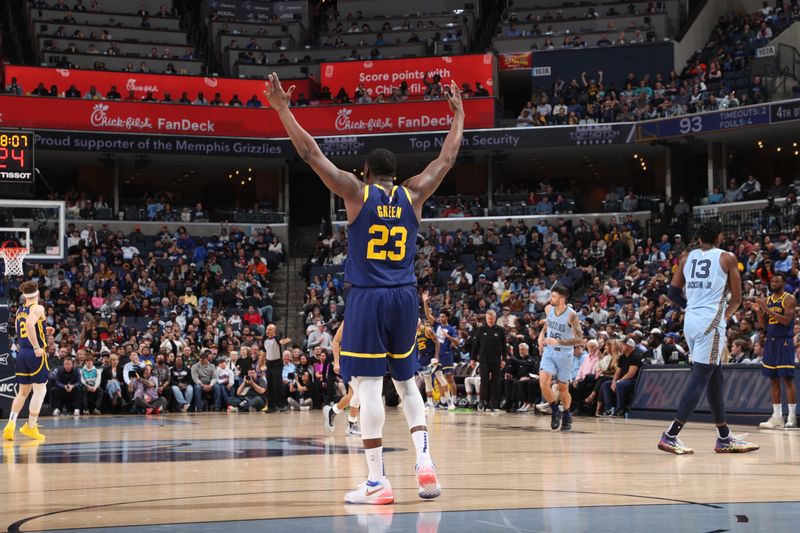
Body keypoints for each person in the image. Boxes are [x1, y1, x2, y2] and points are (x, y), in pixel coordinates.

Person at [265, 71, 464, 504]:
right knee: (409, 384)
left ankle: (377, 483)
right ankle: (425, 462)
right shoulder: (414, 194)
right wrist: (459, 116)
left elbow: (311, 152)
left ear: (367, 172)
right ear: (396, 173)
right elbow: (446, 160)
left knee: (370, 388)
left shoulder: (356, 192)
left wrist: (282, 108)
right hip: (405, 295)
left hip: (369, 296)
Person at [658, 220, 759, 454]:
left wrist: (689, 307)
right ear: (720, 237)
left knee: (715, 376)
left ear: (700, 238)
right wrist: (723, 316)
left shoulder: (685, 258)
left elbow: (672, 291)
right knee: (701, 376)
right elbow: (737, 298)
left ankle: (724, 436)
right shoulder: (727, 258)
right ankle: (671, 434)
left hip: (690, 320)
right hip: (710, 322)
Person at [4, 281, 53, 441]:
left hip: (22, 353)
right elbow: (30, 325)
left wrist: (43, 330)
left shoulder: (19, 310)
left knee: (23, 392)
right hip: (34, 353)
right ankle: (30, 427)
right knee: (40, 390)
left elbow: (22, 330)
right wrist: (38, 346)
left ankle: (10, 424)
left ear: (24, 295)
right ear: (37, 293)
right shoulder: (38, 308)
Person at [537, 284, 583, 431]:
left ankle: (567, 414)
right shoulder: (548, 309)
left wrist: (559, 341)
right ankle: (555, 411)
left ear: (562, 299)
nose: (551, 298)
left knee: (563, 388)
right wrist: (541, 336)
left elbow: (579, 339)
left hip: (565, 353)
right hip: (549, 352)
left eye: (554, 296)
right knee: (543, 382)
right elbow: (547, 326)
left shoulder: (572, 315)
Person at [753, 273, 797, 428]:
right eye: (772, 281)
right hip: (771, 341)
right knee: (773, 379)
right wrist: (759, 311)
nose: (774, 283)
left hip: (784, 341)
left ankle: (791, 417)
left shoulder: (789, 299)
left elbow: (786, 321)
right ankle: (777, 417)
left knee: (787, 379)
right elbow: (763, 326)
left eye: (777, 281)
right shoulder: (768, 300)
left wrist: (766, 308)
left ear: (783, 283)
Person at [323, 322, 362, 436]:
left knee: (353, 394)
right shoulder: (349, 319)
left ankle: (333, 411)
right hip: (350, 360)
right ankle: (351, 424)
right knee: (357, 392)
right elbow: (335, 341)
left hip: (363, 359)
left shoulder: (369, 316)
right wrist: (336, 362)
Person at [470, 309, 506, 412]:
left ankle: (494, 405)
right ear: (486, 318)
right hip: (484, 360)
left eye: (492, 319)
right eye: (488, 319)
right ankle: (482, 402)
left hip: (496, 360)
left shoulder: (500, 330)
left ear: (495, 318)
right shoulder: (481, 330)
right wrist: (472, 358)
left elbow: (504, 347)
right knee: (484, 381)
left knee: (496, 382)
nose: (490, 320)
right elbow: (475, 345)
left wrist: (503, 359)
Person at [263, 324, 291, 412]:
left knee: (277, 384)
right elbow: (264, 352)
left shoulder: (276, 338)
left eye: (270, 329)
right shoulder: (265, 340)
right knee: (270, 385)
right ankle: (271, 406)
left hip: (277, 363)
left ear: (274, 331)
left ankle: (282, 405)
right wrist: (259, 364)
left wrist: (285, 341)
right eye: (267, 329)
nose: (268, 330)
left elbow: (281, 342)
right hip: (269, 363)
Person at [434, 311, 459, 410]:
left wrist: (448, 336)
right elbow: (428, 316)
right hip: (437, 355)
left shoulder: (451, 329)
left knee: (449, 378)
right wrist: (426, 303)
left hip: (447, 355)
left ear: (447, 317)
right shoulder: (437, 326)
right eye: (440, 316)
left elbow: (456, 342)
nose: (441, 318)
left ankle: (454, 400)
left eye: (443, 316)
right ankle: (443, 401)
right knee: (439, 379)